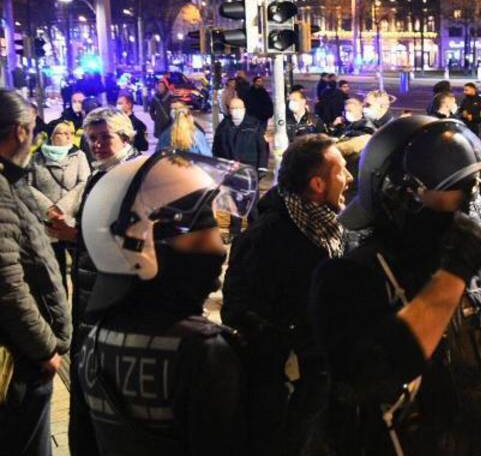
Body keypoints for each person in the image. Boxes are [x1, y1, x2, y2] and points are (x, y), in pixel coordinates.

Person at [311, 117, 481, 455]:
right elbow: (371, 377)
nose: (465, 207)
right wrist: (452, 275)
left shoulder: (470, 266)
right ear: (402, 195)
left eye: (470, 189)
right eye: (454, 191)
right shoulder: (348, 277)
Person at [77, 150, 256, 455]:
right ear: (143, 251)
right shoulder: (203, 349)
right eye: (201, 239)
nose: (219, 250)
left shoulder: (94, 338)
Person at [223, 135, 351, 454]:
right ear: (318, 184)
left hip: (325, 384)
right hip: (288, 395)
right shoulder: (264, 239)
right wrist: (292, 347)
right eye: (342, 171)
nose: (349, 179)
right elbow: (238, 311)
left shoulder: (336, 230)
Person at [48, 107, 141, 456]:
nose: (98, 145)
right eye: (92, 139)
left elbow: (136, 240)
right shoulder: (103, 173)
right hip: (91, 296)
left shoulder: (134, 176)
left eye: (106, 137)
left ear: (126, 137)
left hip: (113, 302)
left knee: (105, 396)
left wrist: (78, 236)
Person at [0, 90, 71, 456]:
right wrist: (46, 349)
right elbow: (8, 284)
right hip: (19, 361)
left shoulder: (12, 181)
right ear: (19, 131)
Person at [29, 120, 91, 294]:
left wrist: (62, 208)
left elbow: (84, 182)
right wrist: (48, 208)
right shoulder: (37, 157)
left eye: (68, 133)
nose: (66, 137)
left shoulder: (79, 156)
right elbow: (28, 185)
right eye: (60, 133)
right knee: (54, 272)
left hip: (71, 219)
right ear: (51, 136)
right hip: (47, 221)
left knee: (79, 271)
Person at [213, 98, 270, 174]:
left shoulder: (255, 125)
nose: (236, 110)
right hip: (228, 168)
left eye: (239, 108)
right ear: (229, 110)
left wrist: (262, 167)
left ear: (244, 109)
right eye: (233, 108)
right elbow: (216, 147)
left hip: (249, 167)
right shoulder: (223, 126)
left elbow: (262, 147)